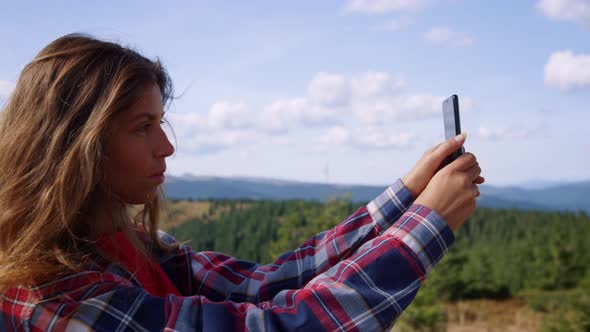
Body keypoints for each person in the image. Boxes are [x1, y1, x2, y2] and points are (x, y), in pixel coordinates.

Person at [0, 33, 484, 331]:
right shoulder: (53, 295)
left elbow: (269, 285)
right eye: (142, 127)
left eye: (160, 123)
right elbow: (280, 327)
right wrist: (427, 225)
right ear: (75, 146)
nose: (166, 147)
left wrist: (407, 196)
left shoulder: (143, 249)